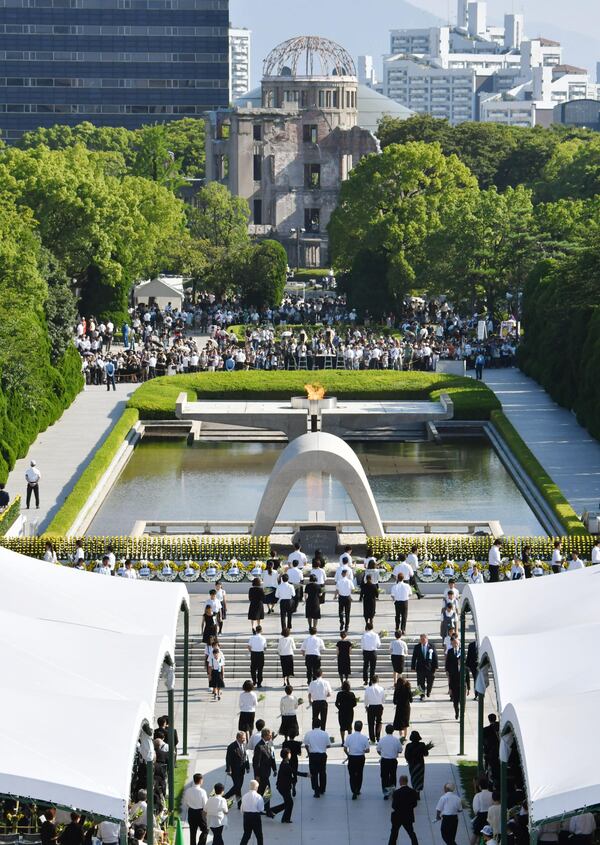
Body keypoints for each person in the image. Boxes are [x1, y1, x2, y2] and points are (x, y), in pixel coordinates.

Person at [388, 775, 419, 845]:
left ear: (400, 782)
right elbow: (415, 804)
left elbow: (394, 806)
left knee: (394, 834)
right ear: (407, 781)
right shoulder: (413, 792)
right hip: (408, 816)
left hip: (397, 816)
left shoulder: (396, 793)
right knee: (411, 833)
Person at [344, 720, 371, 799]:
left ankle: (353, 790)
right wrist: (362, 750)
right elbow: (368, 750)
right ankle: (357, 789)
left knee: (352, 774)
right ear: (361, 728)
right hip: (360, 757)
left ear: (354, 727)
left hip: (352, 757)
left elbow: (345, 748)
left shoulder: (349, 737)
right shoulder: (364, 738)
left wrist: (348, 755)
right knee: (359, 774)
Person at [252, 728, 276, 816]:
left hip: (266, 773)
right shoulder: (259, 746)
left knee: (262, 792)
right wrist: (257, 775)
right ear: (265, 735)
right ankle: (267, 810)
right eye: (270, 735)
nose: (271, 736)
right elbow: (256, 763)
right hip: (261, 775)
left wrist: (274, 769)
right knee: (267, 791)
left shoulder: (269, 743)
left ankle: (259, 808)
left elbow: (271, 757)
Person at [304, 724, 331, 798]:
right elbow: (329, 745)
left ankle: (316, 791)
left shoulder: (308, 733)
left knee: (314, 773)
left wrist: (308, 752)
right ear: (320, 725)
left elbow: (306, 744)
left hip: (313, 755)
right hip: (322, 755)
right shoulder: (325, 733)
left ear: (313, 725)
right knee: (322, 772)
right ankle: (322, 789)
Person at [270, 748, 296, 823]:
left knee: (288, 803)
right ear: (287, 755)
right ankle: (281, 816)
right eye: (289, 753)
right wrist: (306, 775)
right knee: (289, 803)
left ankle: (277, 813)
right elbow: (295, 772)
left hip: (284, 787)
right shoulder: (285, 765)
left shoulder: (285, 763)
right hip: (283, 788)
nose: (290, 754)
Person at [182, 773, 208, 845]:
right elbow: (205, 805)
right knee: (205, 830)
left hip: (191, 812)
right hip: (200, 813)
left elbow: (185, 803)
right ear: (200, 781)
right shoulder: (202, 791)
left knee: (192, 833)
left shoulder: (188, 790)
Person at [377, 724, 402, 799]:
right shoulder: (396, 740)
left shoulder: (382, 739)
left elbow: (378, 750)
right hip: (393, 760)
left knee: (384, 777)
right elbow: (400, 750)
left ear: (385, 731)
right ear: (393, 731)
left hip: (384, 760)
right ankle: (392, 791)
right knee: (393, 776)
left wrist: (382, 754)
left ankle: (386, 793)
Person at [411, 634, 438, 700]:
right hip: (420, 668)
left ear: (427, 639)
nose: (422, 640)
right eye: (421, 639)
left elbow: (435, 657)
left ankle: (428, 691)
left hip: (430, 668)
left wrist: (436, 666)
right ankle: (422, 695)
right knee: (420, 683)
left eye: (423, 639)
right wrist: (413, 667)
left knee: (430, 681)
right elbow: (414, 657)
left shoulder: (431, 646)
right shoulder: (417, 647)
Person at [224, 732, 249, 805]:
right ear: (238, 738)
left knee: (238, 787)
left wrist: (247, 767)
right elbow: (228, 759)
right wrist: (229, 769)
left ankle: (239, 803)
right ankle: (225, 797)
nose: (244, 740)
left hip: (242, 770)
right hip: (234, 770)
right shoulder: (231, 746)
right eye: (242, 738)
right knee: (237, 786)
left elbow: (246, 757)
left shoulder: (244, 745)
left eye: (244, 738)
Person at [404, 730, 430, 798]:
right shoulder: (422, 745)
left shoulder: (408, 745)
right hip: (420, 764)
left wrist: (408, 760)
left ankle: (415, 789)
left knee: (414, 777)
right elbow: (426, 754)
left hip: (412, 765)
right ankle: (418, 791)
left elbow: (406, 755)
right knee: (420, 778)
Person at [239, 781, 264, 845]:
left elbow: (242, 809)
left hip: (246, 816)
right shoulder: (259, 797)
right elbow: (261, 809)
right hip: (255, 817)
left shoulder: (244, 796)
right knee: (259, 836)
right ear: (256, 787)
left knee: (246, 835)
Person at [471, 779, 493, 845]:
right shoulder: (492, 794)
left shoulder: (477, 795)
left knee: (476, 835)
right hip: (490, 815)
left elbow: (475, 809)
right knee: (487, 834)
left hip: (480, 816)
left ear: (480, 786)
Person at [335, 680, 357, 744]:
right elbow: (355, 704)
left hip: (342, 712)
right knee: (349, 726)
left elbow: (336, 703)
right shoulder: (351, 694)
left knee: (342, 726)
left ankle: (343, 741)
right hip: (349, 712)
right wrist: (350, 707)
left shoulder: (339, 694)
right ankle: (349, 741)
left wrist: (340, 708)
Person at [365, 675, 385, 742]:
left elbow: (366, 699)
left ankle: (372, 738)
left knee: (371, 723)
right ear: (378, 681)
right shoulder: (381, 688)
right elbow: (383, 700)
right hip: (379, 706)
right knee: (379, 721)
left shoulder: (368, 689)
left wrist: (366, 706)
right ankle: (378, 736)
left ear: (371, 681)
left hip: (371, 706)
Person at [445, 640, 462, 719]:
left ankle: (461, 713)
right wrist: (447, 670)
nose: (455, 644)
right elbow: (447, 661)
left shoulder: (461, 651)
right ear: (452, 644)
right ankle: (457, 712)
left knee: (462, 701)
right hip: (453, 675)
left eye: (457, 643)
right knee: (455, 700)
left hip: (460, 676)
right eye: (454, 643)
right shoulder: (450, 651)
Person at [393, 676, 412, 742]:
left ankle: (401, 736)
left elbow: (394, 701)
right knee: (405, 723)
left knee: (400, 723)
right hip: (406, 707)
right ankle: (405, 736)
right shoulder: (407, 688)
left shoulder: (397, 689)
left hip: (399, 707)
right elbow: (411, 700)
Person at [335, 567, 355, 631]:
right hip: (347, 597)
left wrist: (335, 596)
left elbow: (337, 590)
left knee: (340, 611)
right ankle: (347, 626)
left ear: (341, 574)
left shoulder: (339, 581)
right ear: (346, 574)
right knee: (347, 612)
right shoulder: (349, 581)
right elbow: (353, 590)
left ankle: (341, 623)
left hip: (341, 597)